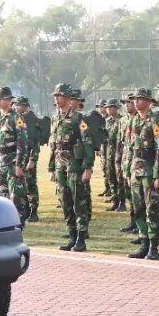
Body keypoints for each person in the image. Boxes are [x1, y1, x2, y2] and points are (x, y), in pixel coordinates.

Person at [123, 88, 159, 260]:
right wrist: (127, 170)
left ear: (149, 101)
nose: (136, 101)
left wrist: (158, 175)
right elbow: (128, 147)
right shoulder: (133, 121)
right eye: (135, 99)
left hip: (150, 171)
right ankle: (143, 242)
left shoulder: (155, 121)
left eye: (140, 99)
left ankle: (153, 247)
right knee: (138, 208)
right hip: (136, 170)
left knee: (153, 209)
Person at [50, 83, 94, 252]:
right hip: (60, 164)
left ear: (68, 98)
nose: (56, 98)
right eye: (55, 96)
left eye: (59, 95)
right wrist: (51, 167)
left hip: (74, 165)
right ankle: (72, 236)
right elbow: (53, 143)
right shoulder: (55, 118)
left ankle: (81, 239)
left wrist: (88, 167)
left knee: (78, 201)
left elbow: (87, 142)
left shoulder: (77, 118)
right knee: (64, 200)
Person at [0, 87, 31, 222]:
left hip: (12, 164)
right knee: (1, 199)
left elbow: (22, 143)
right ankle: (4, 225)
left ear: (9, 100)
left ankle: (18, 225)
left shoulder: (16, 118)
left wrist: (19, 165)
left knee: (16, 198)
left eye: (3, 99)